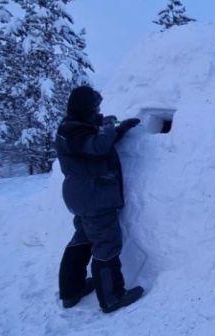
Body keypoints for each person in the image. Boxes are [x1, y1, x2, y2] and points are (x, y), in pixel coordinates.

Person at [55, 85, 144, 313]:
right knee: (107, 243)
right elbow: (98, 146)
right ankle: (112, 297)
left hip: (82, 196)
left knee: (83, 239)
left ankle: (71, 291)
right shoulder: (74, 133)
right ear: (85, 108)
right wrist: (108, 126)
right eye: (94, 108)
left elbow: (95, 143)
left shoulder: (72, 128)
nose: (98, 110)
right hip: (94, 197)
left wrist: (120, 129)